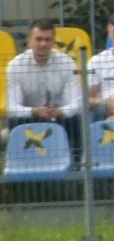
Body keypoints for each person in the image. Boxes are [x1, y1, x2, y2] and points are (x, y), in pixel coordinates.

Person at [6, 19, 83, 157]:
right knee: (15, 120)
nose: (43, 44)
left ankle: (76, 164)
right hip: (30, 115)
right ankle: (21, 164)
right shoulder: (15, 66)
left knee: (75, 119)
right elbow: (12, 108)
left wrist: (59, 111)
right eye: (39, 39)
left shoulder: (67, 63)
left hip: (58, 114)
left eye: (48, 40)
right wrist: (35, 111)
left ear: (53, 42)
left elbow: (76, 104)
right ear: (29, 41)